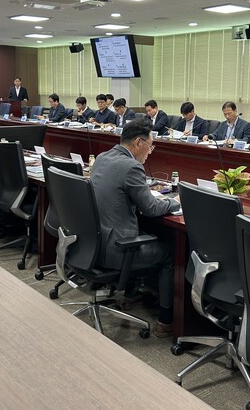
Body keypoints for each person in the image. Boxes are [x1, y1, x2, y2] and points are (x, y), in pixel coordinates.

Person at [90, 119, 180, 337]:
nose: (150, 151)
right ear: (139, 142)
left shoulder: (102, 157)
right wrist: (175, 201)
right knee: (172, 251)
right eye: (150, 146)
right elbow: (151, 208)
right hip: (116, 250)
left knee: (147, 233)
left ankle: (132, 294)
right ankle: (166, 320)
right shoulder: (131, 167)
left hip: (93, 244)